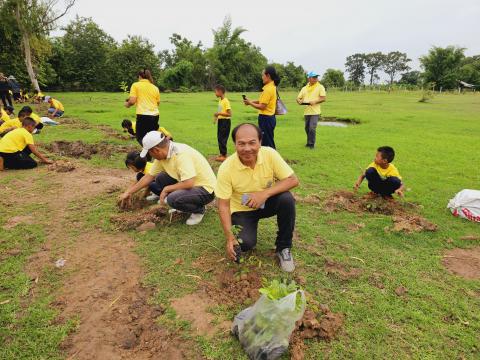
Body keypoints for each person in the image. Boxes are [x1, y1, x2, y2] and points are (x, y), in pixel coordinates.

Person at [215, 123, 299, 272]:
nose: (247, 148)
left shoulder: (270, 154)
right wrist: (230, 237)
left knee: (286, 200)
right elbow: (223, 205)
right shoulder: (226, 168)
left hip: (266, 203)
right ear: (235, 144)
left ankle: (284, 248)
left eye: (252, 142)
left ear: (260, 142)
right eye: (241, 143)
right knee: (244, 244)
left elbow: (292, 180)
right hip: (242, 210)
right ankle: (245, 231)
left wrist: (264, 194)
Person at [119, 131, 216, 226]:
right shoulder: (161, 156)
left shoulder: (180, 154)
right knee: (161, 178)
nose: (150, 156)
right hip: (191, 184)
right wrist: (129, 192)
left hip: (206, 190)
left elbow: (189, 183)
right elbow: (149, 176)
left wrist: (167, 189)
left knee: (172, 199)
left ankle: (199, 210)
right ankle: (183, 201)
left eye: (150, 153)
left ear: (156, 150)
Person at [243, 66, 280, 149]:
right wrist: (250, 102)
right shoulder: (271, 87)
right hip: (269, 118)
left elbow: (262, 106)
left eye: (263, 75)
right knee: (266, 140)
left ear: (268, 76)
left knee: (268, 143)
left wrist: (250, 103)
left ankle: (272, 159)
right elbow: (262, 101)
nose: (262, 77)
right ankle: (268, 158)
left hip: (266, 119)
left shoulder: (268, 89)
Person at [125, 69, 160, 145]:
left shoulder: (135, 85)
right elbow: (157, 103)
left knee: (140, 137)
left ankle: (149, 153)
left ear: (140, 76)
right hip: (155, 116)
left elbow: (132, 101)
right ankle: (153, 153)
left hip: (143, 116)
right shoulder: (155, 88)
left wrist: (127, 104)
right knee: (151, 138)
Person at [296, 71, 327, 149]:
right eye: (314, 77)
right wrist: (299, 100)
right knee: (307, 128)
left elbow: (323, 98)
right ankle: (309, 142)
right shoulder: (304, 88)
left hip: (315, 111)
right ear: (309, 78)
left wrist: (315, 101)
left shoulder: (320, 87)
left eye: (316, 77)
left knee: (312, 128)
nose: (316, 78)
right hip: (307, 111)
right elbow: (298, 98)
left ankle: (311, 144)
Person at [213, 84, 232, 162]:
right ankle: (222, 153)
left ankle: (224, 155)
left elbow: (229, 114)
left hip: (225, 122)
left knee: (223, 138)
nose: (215, 93)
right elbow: (219, 111)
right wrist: (216, 118)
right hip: (221, 121)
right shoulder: (220, 100)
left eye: (216, 92)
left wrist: (219, 114)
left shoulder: (226, 101)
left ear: (220, 92)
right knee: (219, 137)